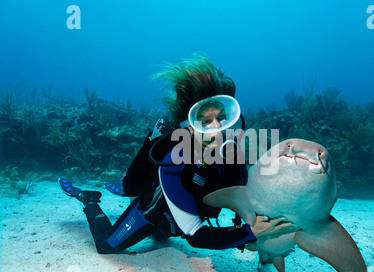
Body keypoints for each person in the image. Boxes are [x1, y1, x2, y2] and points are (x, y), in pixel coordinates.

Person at [59, 55, 294, 254]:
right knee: (106, 246)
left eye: (222, 118)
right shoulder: (173, 162)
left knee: (162, 239)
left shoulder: (233, 152)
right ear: (189, 127)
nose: (217, 128)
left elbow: (246, 197)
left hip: (183, 218)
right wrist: (250, 233)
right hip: (154, 213)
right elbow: (196, 235)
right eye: (205, 121)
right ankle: (90, 201)